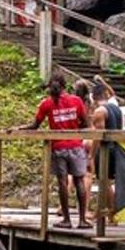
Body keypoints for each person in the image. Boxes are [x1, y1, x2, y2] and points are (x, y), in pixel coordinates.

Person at [11, 76, 91, 229]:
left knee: (62, 182)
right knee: (79, 180)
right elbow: (86, 123)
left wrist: (19, 129)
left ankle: (67, 219)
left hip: (58, 146)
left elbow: (35, 125)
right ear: (64, 86)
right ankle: (82, 220)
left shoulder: (46, 104)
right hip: (75, 145)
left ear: (50, 87)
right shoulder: (76, 101)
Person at [90, 78, 122, 224]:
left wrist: (91, 154)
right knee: (107, 182)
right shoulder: (116, 107)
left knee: (104, 182)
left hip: (105, 149)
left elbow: (99, 135)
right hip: (117, 147)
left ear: (93, 97)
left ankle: (109, 213)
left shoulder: (99, 112)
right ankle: (105, 212)